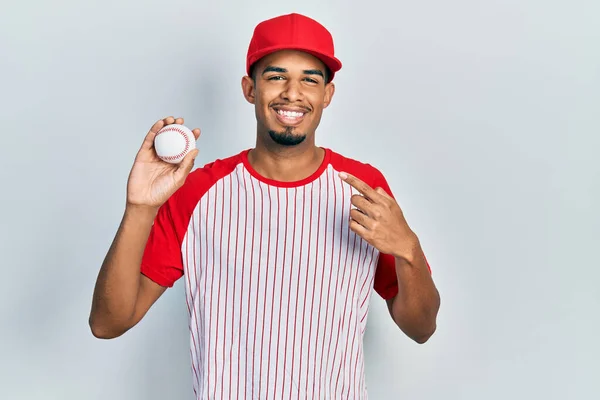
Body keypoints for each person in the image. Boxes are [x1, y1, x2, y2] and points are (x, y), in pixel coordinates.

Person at [89, 12, 440, 399]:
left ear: (327, 94)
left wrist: (408, 250)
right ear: (250, 88)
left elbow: (420, 328)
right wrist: (139, 207)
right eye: (276, 76)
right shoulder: (198, 192)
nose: (293, 92)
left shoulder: (363, 188)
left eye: (310, 78)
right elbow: (109, 322)